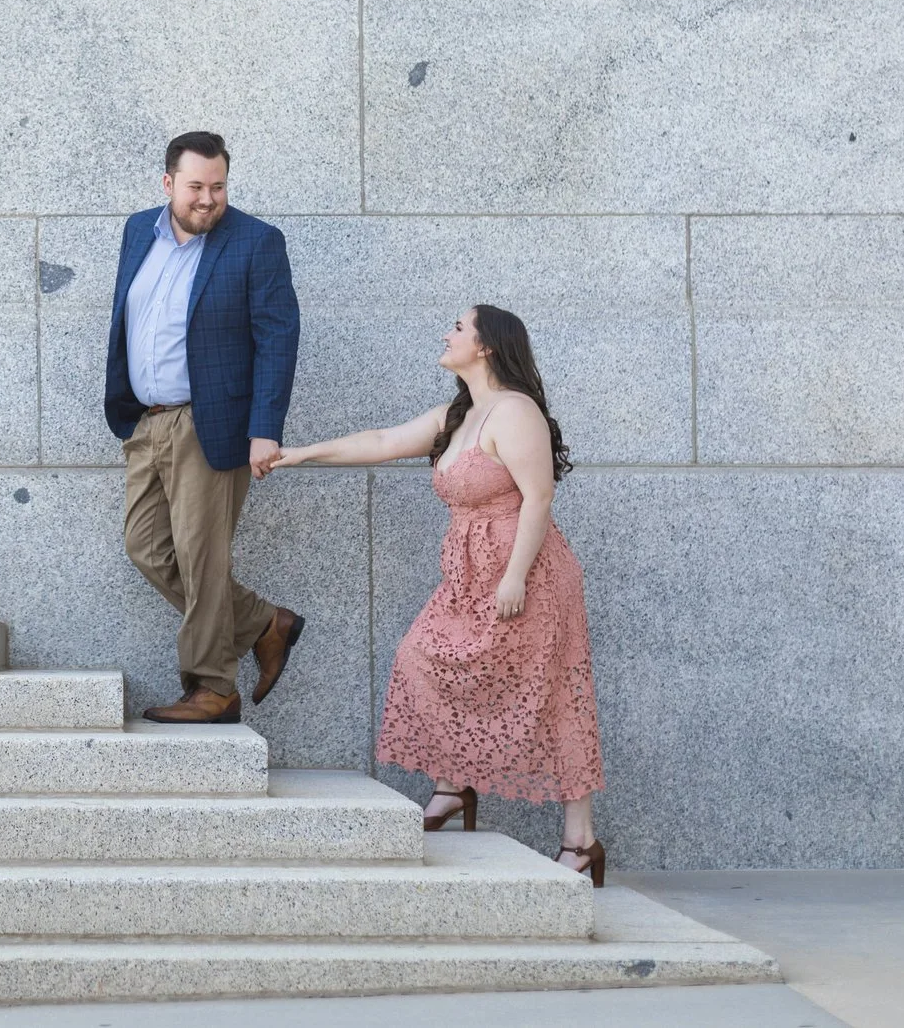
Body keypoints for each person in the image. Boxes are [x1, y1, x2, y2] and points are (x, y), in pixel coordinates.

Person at [276, 304, 607, 885]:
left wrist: (515, 576)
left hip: (527, 573)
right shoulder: (460, 415)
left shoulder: (515, 411)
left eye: (458, 327)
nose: (446, 334)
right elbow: (380, 441)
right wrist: (299, 454)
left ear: (485, 346)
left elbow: (539, 498)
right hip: (467, 575)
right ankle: (454, 785)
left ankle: (580, 842)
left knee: (555, 693)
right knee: (423, 657)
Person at [104, 129, 306, 725]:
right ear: (168, 183)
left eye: (217, 186)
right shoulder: (138, 231)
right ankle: (264, 623)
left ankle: (213, 686)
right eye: (195, 186)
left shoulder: (256, 243)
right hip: (147, 422)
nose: (208, 198)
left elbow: (278, 337)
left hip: (210, 421)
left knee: (200, 557)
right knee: (145, 547)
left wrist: (265, 428)